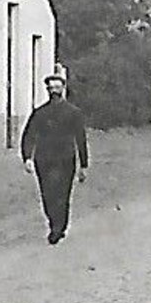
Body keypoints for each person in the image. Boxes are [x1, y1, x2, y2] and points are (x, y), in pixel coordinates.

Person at [21, 73, 88, 244]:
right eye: (51, 88)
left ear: (63, 89)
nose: (54, 91)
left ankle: (59, 227)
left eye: (57, 87)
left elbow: (81, 138)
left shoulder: (74, 113)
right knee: (47, 194)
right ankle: (54, 224)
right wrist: (27, 157)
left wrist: (83, 165)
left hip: (66, 158)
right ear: (47, 90)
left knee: (63, 194)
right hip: (44, 159)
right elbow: (29, 135)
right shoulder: (40, 113)